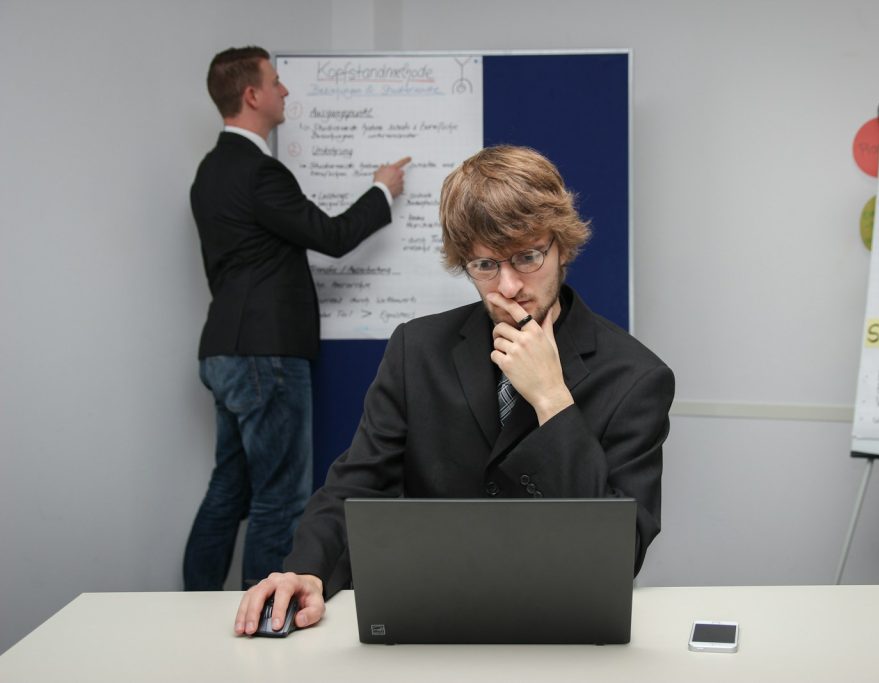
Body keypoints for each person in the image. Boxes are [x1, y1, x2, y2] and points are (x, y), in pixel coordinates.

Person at [233, 145, 674, 635]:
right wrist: (307, 569)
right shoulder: (416, 349)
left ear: (563, 246)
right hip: (433, 618)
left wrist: (553, 400)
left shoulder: (637, 377)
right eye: (485, 266)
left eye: (527, 256)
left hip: (565, 624)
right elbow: (357, 484)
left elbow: (621, 552)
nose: (507, 286)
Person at [185, 46, 411, 591]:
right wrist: (382, 189)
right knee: (280, 498)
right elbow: (331, 238)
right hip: (266, 356)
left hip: (223, 349)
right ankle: (263, 616)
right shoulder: (260, 173)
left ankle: (191, 609)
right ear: (251, 95)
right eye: (276, 81)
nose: (285, 91)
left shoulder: (209, 173)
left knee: (228, 491)